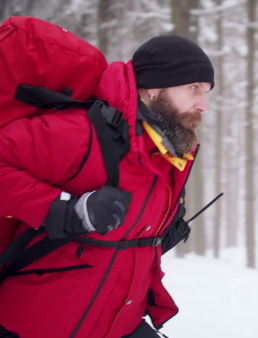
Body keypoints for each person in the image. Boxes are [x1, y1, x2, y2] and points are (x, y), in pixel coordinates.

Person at [0, 35, 214, 337]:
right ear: (153, 87)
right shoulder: (81, 133)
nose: (203, 105)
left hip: (117, 324)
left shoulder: (165, 157)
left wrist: (157, 236)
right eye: (194, 88)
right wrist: (65, 209)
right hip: (37, 325)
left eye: (206, 93)